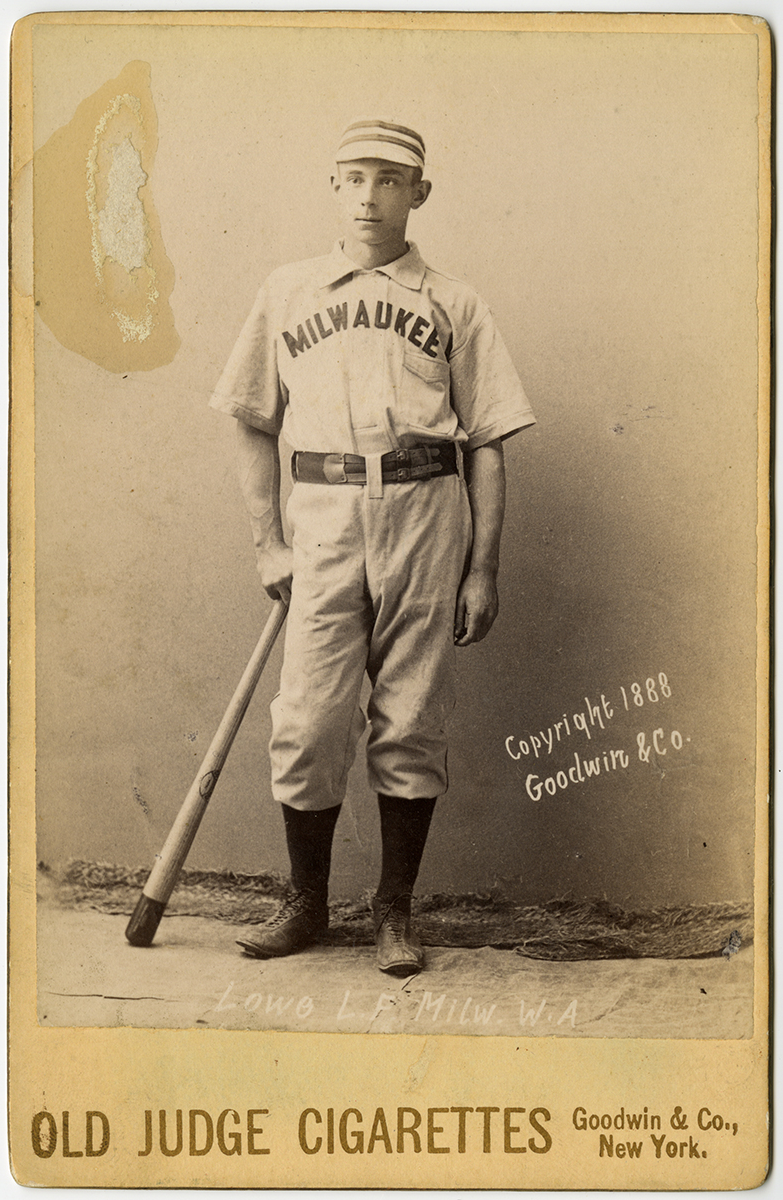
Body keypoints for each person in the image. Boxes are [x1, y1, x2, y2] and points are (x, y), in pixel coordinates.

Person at [209, 118, 536, 976]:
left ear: (417, 194)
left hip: (426, 510)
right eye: (352, 177)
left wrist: (483, 566)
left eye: (389, 180)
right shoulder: (289, 291)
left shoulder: (454, 301)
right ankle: (306, 904)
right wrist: (266, 543)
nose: (368, 195)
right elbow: (249, 421)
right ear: (332, 187)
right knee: (309, 721)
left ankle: (394, 912)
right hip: (321, 512)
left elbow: (491, 440)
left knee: (411, 717)